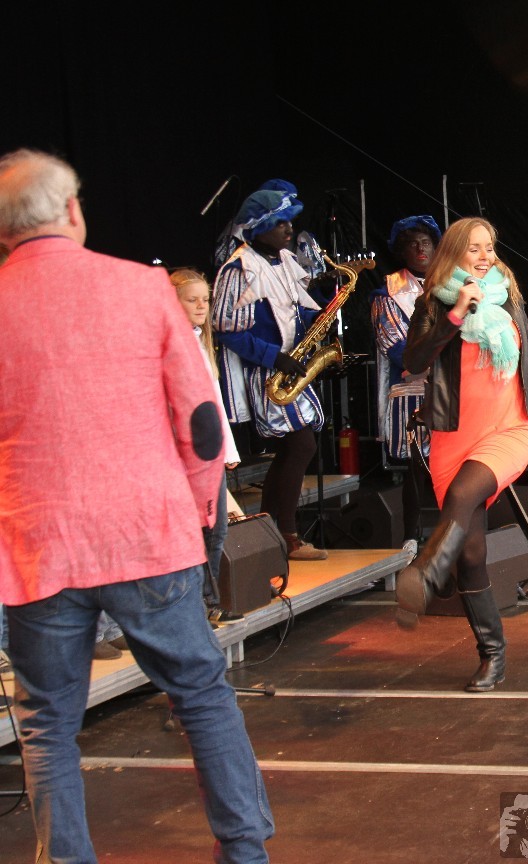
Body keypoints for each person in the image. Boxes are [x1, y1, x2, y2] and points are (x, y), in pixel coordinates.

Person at [0, 148, 274, 862]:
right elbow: (202, 425)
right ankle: (244, 851)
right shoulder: (143, 289)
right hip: (147, 532)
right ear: (71, 210)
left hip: (36, 546)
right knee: (201, 695)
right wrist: (201, 518)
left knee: (47, 725)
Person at [395, 217, 528, 692]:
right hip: (453, 436)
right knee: (471, 553)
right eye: (475, 249)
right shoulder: (434, 301)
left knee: (464, 495)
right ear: (455, 253)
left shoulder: (509, 299)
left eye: (490, 248)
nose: (485, 257)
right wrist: (455, 315)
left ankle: (428, 571)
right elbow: (414, 361)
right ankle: (493, 655)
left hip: (508, 429)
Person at [212, 184, 334, 560]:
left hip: (290, 365)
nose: (289, 229)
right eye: (280, 223)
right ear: (259, 227)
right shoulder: (239, 269)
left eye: (289, 222)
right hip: (265, 373)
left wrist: (321, 314)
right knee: (300, 445)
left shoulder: (283, 261)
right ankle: (287, 535)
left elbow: (297, 307)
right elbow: (226, 328)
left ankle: (274, 535)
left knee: (293, 449)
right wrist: (273, 357)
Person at [173, 268, 246, 622]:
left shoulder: (201, 342)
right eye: (192, 300)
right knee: (198, 531)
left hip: (210, 451)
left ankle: (208, 602)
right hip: (189, 455)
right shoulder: (174, 346)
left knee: (216, 529)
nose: (202, 306)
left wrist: (228, 450)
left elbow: (214, 404)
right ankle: (199, 605)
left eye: (205, 299)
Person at [372, 215, 441, 552]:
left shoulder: (452, 285)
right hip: (412, 392)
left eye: (426, 242)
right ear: (402, 251)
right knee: (417, 468)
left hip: (450, 388)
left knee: (453, 465)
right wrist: (439, 361)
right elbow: (398, 347)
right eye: (413, 244)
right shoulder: (387, 293)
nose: (420, 249)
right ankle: (411, 538)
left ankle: (454, 534)